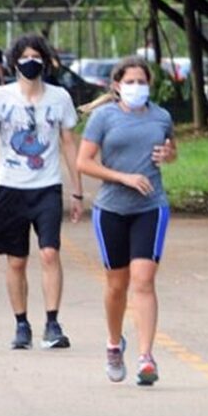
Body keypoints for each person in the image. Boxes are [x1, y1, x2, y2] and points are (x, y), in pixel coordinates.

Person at [0, 34, 84, 350]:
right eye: (24, 57)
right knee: (16, 261)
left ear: (46, 61)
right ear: (13, 62)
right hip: (11, 189)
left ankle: (52, 322)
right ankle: (21, 324)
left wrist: (77, 191)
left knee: (50, 252)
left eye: (37, 56)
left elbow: (67, 143)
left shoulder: (59, 98)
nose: (30, 62)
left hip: (47, 188)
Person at [76, 56, 176, 385]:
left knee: (144, 280)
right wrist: (123, 177)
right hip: (112, 209)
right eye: (130, 82)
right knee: (117, 285)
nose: (137, 87)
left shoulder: (161, 116)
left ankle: (146, 357)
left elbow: (170, 150)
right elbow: (83, 162)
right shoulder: (104, 117)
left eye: (142, 81)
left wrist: (169, 155)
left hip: (151, 206)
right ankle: (114, 343)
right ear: (117, 86)